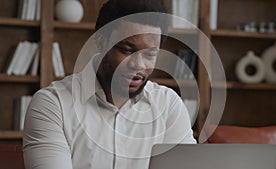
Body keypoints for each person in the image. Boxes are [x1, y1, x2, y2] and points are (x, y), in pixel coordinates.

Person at [23, 0, 196, 169]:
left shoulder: (168, 105)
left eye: (150, 54)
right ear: (100, 42)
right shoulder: (53, 105)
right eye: (127, 50)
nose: (139, 65)